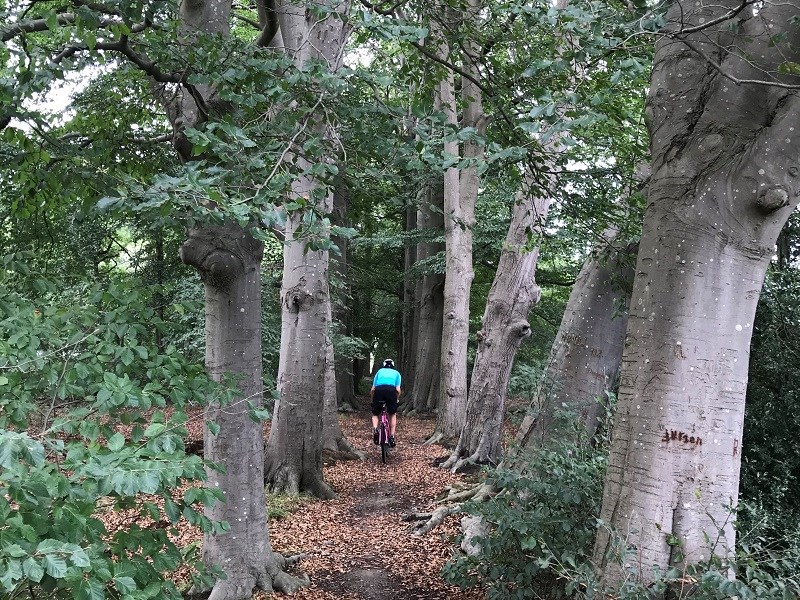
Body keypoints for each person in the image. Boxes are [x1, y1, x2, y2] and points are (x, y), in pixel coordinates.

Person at [371, 358, 401, 447]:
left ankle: (375, 429)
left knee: (375, 413)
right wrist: (397, 399)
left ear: (384, 365)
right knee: (392, 414)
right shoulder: (397, 373)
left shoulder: (379, 372)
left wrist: (373, 400)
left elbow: (373, 389)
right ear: (393, 366)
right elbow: (398, 390)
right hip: (391, 391)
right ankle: (391, 436)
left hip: (379, 390)